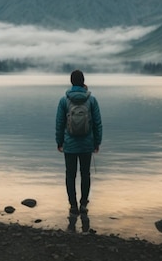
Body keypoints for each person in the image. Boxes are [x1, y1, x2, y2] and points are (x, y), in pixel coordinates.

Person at [55, 70, 103, 215]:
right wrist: (97, 142)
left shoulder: (64, 100)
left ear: (71, 82)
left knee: (70, 175)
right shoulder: (92, 100)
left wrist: (59, 142)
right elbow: (97, 123)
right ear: (83, 81)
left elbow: (59, 123)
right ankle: (83, 205)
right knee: (85, 174)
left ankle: (73, 206)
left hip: (69, 145)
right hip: (87, 144)